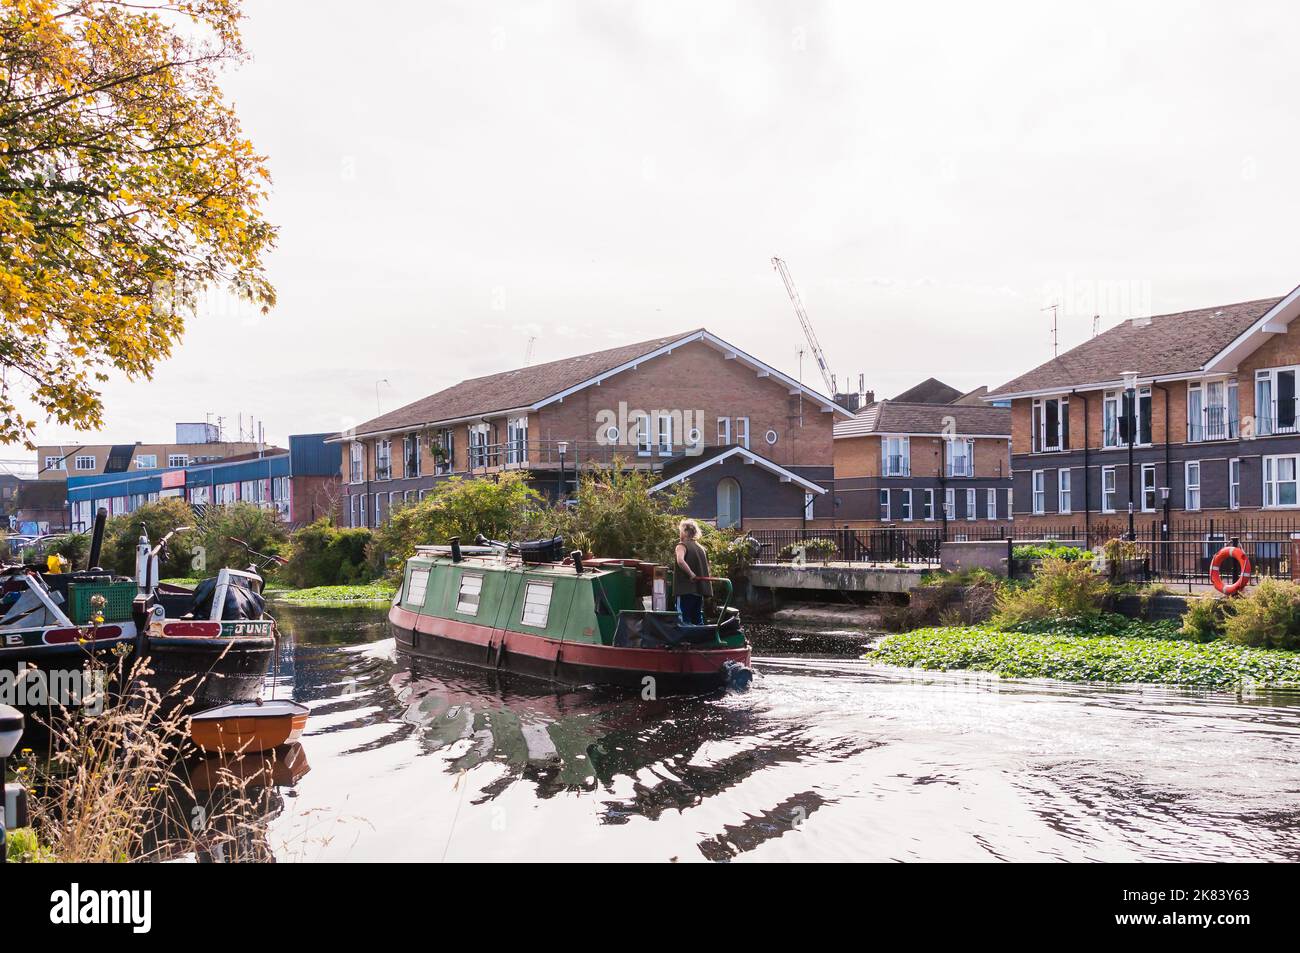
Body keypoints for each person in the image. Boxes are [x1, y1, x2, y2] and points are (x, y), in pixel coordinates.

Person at [673, 519, 710, 625]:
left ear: (684, 531)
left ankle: (686, 639)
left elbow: (680, 560)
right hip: (699, 590)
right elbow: (708, 568)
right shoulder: (701, 548)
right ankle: (700, 638)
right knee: (697, 617)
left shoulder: (681, 546)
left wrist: (691, 574)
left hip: (685, 589)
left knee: (683, 618)